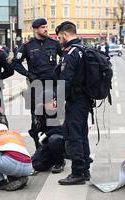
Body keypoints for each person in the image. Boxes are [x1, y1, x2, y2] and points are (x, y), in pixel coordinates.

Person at [11, 18, 63, 149]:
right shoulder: (28, 46)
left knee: (54, 119)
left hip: (52, 86)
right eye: (42, 27)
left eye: (46, 27)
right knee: (36, 122)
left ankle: (58, 152)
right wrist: (29, 75)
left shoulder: (54, 43)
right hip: (36, 88)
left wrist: (59, 72)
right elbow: (15, 63)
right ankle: (40, 150)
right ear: (35, 29)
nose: (46, 29)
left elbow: (65, 58)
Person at [54, 21, 92, 185]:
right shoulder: (83, 50)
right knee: (82, 134)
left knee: (73, 135)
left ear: (65, 34)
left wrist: (58, 99)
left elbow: (66, 80)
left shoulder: (71, 53)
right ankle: (85, 170)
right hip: (84, 100)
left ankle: (77, 172)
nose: (59, 40)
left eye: (59, 36)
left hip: (75, 101)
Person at [31, 90, 65, 174]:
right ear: (43, 104)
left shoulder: (61, 108)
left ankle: (60, 162)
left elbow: (61, 128)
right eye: (50, 102)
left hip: (62, 139)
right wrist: (39, 132)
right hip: (47, 142)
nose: (53, 103)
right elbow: (35, 128)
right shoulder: (39, 110)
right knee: (36, 164)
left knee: (54, 139)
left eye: (54, 100)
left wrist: (46, 134)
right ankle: (51, 159)